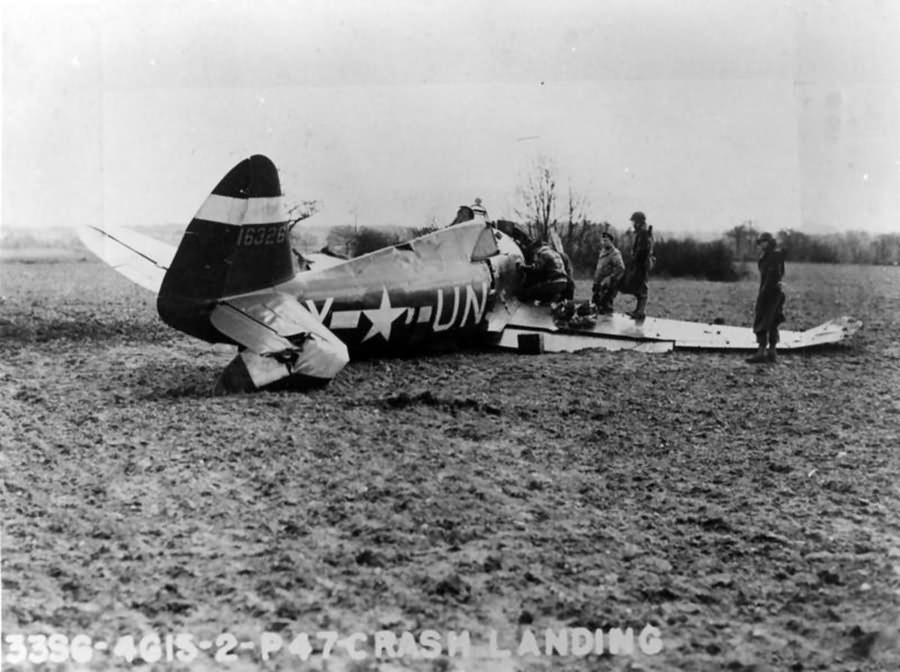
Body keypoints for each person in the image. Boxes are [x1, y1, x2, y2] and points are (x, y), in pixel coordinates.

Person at [746, 232, 786, 364]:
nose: (760, 244)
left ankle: (762, 352)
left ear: (768, 242)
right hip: (775, 291)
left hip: (770, 292)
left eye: (763, 241)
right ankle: (771, 352)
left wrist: (763, 293)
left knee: (763, 321)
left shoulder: (773, 255)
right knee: (772, 321)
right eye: (760, 242)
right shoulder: (770, 255)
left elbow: (773, 276)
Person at [626, 211, 654, 320]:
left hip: (642, 263)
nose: (633, 223)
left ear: (638, 221)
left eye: (634, 221)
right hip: (641, 262)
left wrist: (634, 259)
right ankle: (638, 310)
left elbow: (642, 250)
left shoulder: (643, 232)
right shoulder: (642, 232)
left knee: (642, 288)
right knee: (639, 287)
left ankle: (641, 312)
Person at [592, 231, 625, 314]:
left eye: (606, 240)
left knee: (606, 308)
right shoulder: (602, 252)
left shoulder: (615, 253)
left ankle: (608, 326)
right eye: (602, 240)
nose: (604, 242)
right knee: (595, 307)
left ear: (611, 241)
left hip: (608, 286)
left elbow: (621, 268)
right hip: (598, 284)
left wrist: (610, 278)